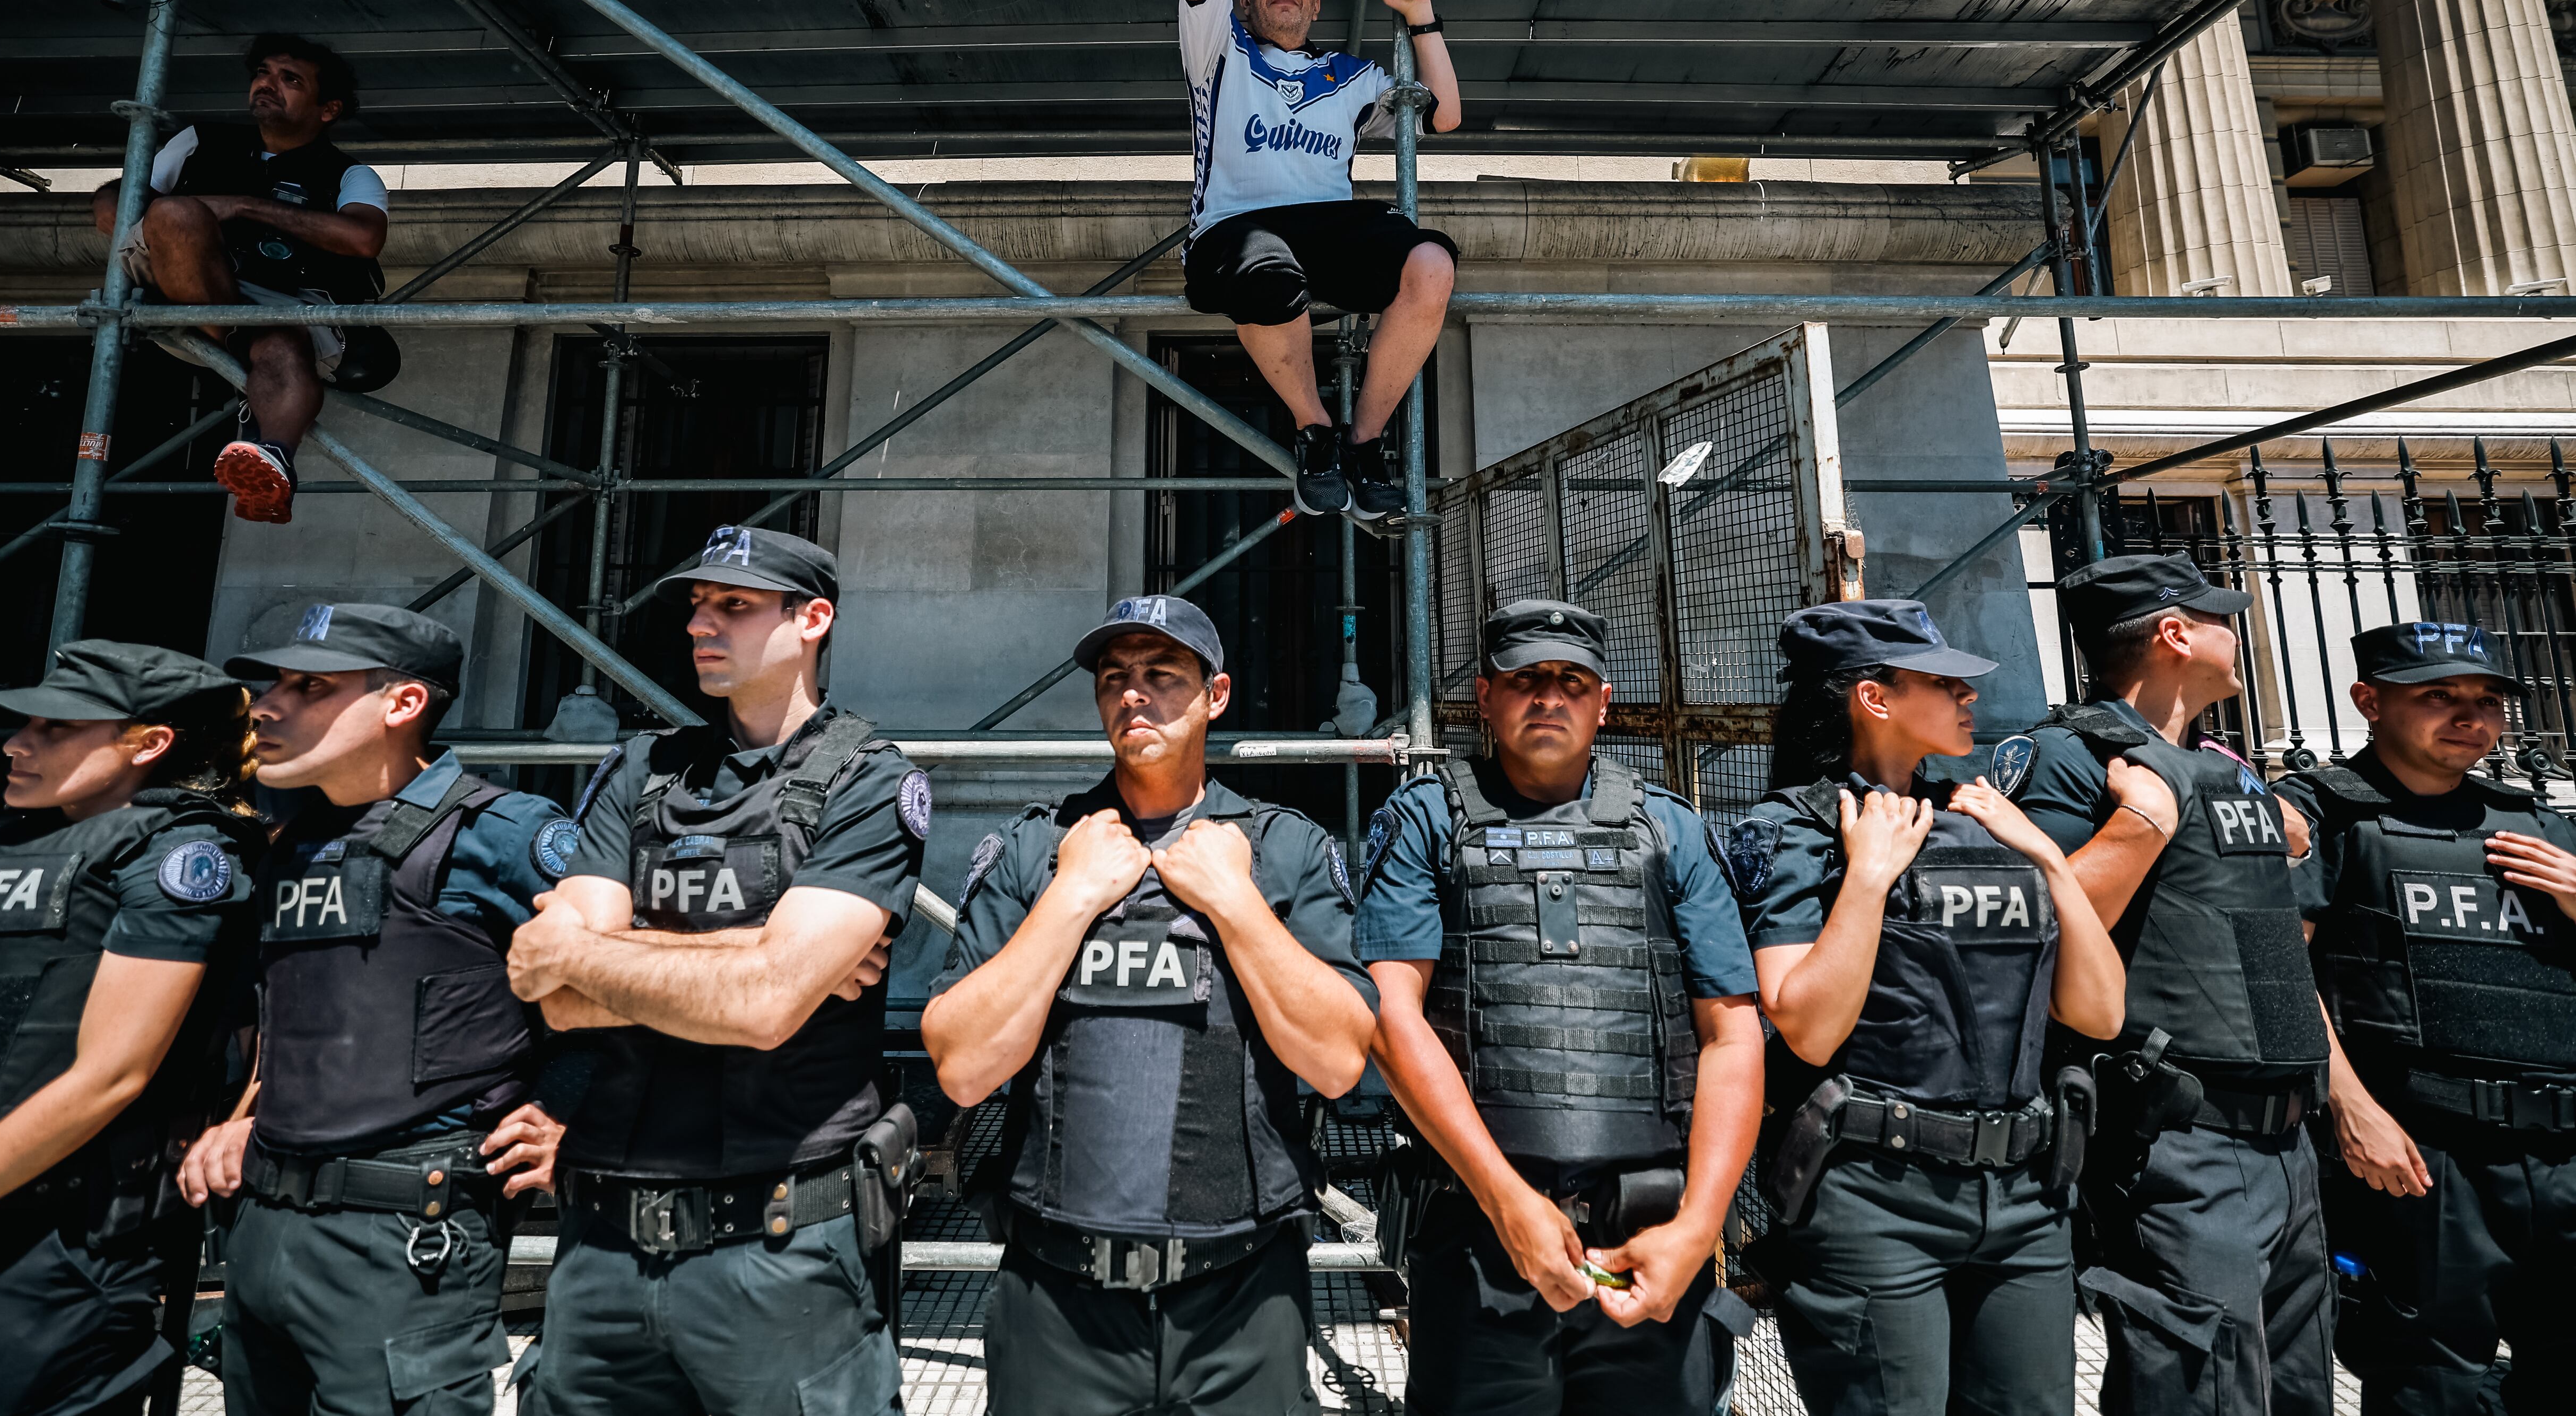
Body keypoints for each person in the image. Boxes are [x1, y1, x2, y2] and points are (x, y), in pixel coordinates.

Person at [924, 594, 1377, 1416]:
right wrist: (1070, 897)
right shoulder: (1041, 847)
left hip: (1242, 1301)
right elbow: (960, 1068)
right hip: (1059, 1301)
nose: (1135, 694)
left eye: (1163, 675)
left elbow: (1341, 1061)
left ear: (1217, 695)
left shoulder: (1283, 850)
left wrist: (1236, 905)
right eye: (1115, 678)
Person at [507, 527, 924, 1416]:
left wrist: (612, 953)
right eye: (698, 604)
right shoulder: (640, 769)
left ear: (812, 619)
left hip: (780, 1248)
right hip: (605, 1248)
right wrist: (754, 951)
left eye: (733, 605)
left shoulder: (865, 779)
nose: (701, 622)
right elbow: (552, 988)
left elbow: (767, 1008)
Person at [1356, 599, 1766, 1414]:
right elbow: (1390, 1018)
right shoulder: (1426, 820)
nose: (1549, 697)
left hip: (1650, 1241)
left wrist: (1697, 1233)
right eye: (1526, 680)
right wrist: (1509, 1202)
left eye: (1571, 682)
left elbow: (1733, 1035)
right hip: (1477, 1236)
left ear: (1604, 702)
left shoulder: (1670, 831)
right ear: (1485, 697)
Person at [1723, 600, 2124, 1415]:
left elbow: (2100, 1013)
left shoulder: (1988, 816)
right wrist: (1868, 876)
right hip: (1875, 1195)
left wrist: (2048, 857)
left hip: (2026, 1198)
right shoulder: (1797, 830)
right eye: (1945, 684)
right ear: (1875, 697)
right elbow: (1806, 1023)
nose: (1970, 698)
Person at [172, 602, 569, 1416]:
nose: (270, 705)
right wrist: (250, 1113)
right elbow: (300, 1007)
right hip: (266, 1225)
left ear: (402, 704)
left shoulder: (501, 831)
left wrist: (572, 1116)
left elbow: (621, 989)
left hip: (407, 1235)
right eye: (273, 683)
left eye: (311, 686)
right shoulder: (287, 840)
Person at [2004, 553, 2335, 1416]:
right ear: (2175, 633)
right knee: (2197, 1394)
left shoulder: (2224, 766)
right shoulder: (2074, 760)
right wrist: (2141, 824)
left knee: (2295, 1390)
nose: (2241, 630)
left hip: (2288, 1137)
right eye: (2223, 614)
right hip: (2183, 1141)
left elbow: (2270, 946)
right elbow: (2032, 935)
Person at [0, 642, 260, 1415]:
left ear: (149, 744)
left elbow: (109, 1075)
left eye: (53, 728)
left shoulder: (180, 853)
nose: (17, 744)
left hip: (53, 1244)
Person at [2275, 621, 2576, 1414]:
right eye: (2437, 696)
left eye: (2485, 699)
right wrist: (2351, 1108)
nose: (2468, 715)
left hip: (2563, 1150)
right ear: (2369, 701)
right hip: (2424, 1155)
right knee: (2432, 1382)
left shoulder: (2540, 825)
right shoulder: (2325, 819)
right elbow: (2279, 971)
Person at [1177, 0, 1464, 521]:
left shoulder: (1348, 76)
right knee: (1268, 266)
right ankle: (1314, 430)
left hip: (1327, 229)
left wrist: (1420, 11)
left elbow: (1443, 113)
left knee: (1431, 264)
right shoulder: (1217, 47)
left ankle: (1363, 442)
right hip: (1236, 236)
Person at [90, 33, 390, 525]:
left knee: (282, 347)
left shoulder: (350, 174)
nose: (268, 85)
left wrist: (245, 206)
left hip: (282, 308)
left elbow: (363, 239)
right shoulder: (197, 142)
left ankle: (269, 461)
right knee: (176, 216)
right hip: (183, 289)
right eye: (263, 73)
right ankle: (223, 329)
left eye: (290, 79)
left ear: (328, 109)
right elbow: (109, 209)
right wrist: (185, 214)